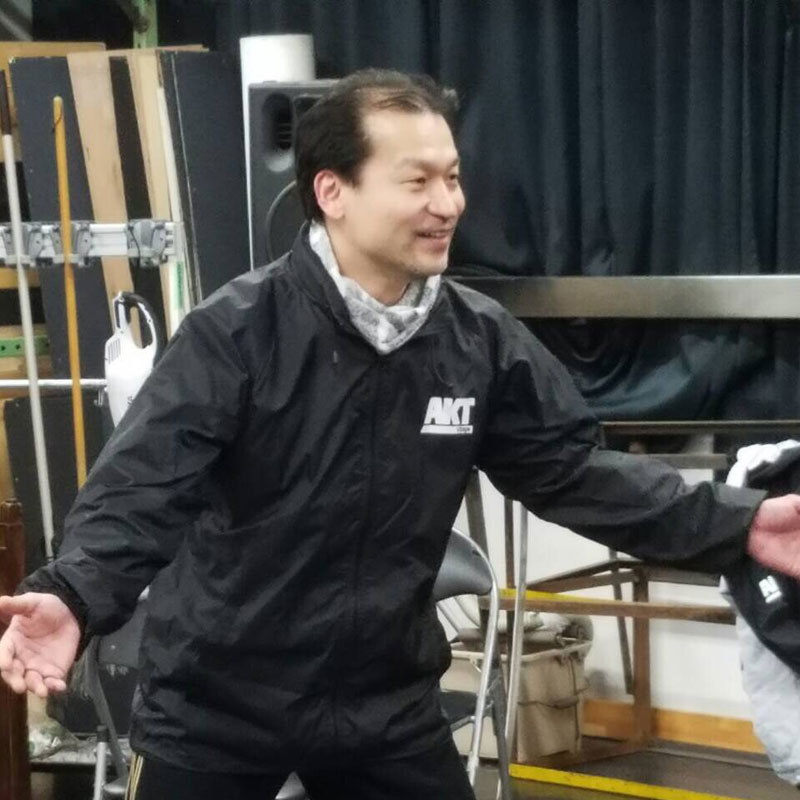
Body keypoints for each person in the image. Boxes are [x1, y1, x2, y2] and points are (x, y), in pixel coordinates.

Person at [2, 68, 800, 800]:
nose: (447, 204)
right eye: (416, 181)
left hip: (382, 705)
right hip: (218, 702)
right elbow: (140, 489)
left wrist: (740, 523)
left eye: (452, 178)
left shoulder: (478, 342)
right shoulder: (237, 333)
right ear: (333, 191)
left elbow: (575, 472)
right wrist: (73, 594)